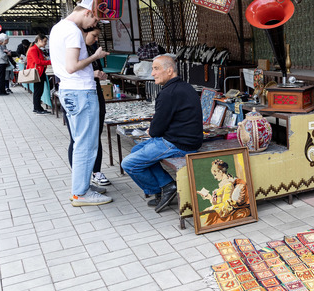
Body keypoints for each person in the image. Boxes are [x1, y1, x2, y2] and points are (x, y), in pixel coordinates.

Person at [121, 54, 203, 213]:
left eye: (156, 69)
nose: (152, 73)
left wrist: (151, 130)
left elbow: (157, 129)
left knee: (129, 164)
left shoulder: (168, 93)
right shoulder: (184, 86)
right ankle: (166, 185)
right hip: (185, 139)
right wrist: (153, 130)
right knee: (135, 151)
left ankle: (162, 188)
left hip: (179, 143)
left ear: (170, 71)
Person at [50, 0, 112, 206]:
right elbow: (72, 66)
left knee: (81, 143)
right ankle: (81, 193)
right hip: (80, 93)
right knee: (86, 145)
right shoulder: (73, 31)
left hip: (71, 90)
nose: (94, 25)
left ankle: (82, 186)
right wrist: (95, 56)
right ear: (87, 12)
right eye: (95, 18)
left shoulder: (59, 28)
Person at [64, 26, 112, 187]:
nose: (96, 39)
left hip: (94, 93)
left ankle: (95, 172)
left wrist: (99, 73)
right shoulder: (72, 48)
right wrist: (92, 72)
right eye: (94, 35)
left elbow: (97, 68)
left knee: (94, 136)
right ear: (82, 33)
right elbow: (68, 70)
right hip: (78, 95)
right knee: (78, 139)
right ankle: (80, 179)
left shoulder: (91, 48)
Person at [197, 159, 249, 226]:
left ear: (220, 172)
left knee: (203, 219)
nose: (214, 178)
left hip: (223, 212)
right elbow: (219, 202)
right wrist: (209, 197)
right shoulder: (223, 184)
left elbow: (226, 204)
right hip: (219, 209)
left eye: (215, 175)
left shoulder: (228, 185)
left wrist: (212, 208)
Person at [26, 34, 51, 114]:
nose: (45, 43)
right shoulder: (33, 49)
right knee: (38, 91)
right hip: (37, 72)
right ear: (39, 40)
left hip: (40, 72)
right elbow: (37, 62)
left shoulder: (38, 49)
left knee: (39, 90)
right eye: (44, 41)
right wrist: (50, 62)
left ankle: (38, 107)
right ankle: (37, 108)